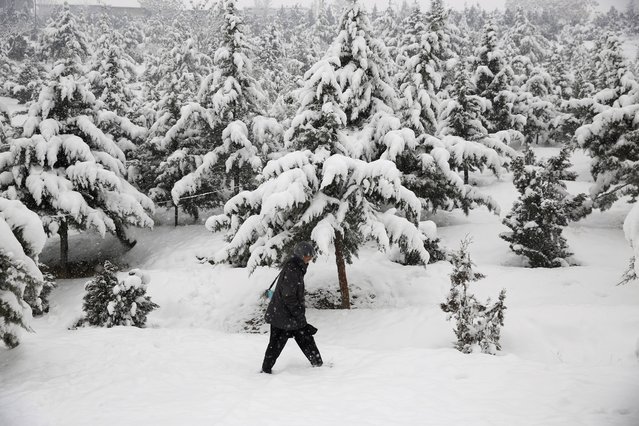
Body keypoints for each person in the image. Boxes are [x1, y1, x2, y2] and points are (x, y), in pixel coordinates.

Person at [261, 241, 323, 374]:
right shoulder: (293, 269)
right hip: (283, 316)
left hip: (287, 315)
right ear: (301, 255)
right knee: (276, 346)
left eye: (311, 255)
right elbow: (288, 296)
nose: (310, 258)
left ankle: (318, 364)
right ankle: (265, 371)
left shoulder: (296, 267)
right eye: (308, 256)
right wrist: (299, 314)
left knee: (304, 337)